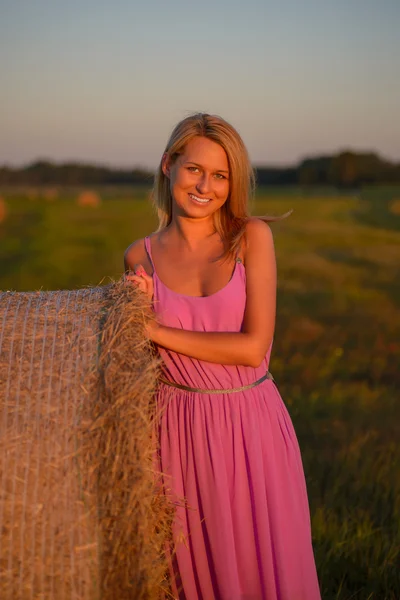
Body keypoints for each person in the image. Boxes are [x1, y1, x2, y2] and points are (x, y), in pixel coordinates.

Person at [124, 113, 321, 600]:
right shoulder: (137, 258)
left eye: (220, 175)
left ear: (233, 183)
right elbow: (141, 360)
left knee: (260, 563)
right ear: (168, 165)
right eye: (194, 169)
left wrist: (154, 328)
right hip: (174, 429)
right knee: (193, 571)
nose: (205, 186)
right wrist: (133, 327)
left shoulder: (251, 238)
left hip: (249, 422)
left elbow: (254, 349)